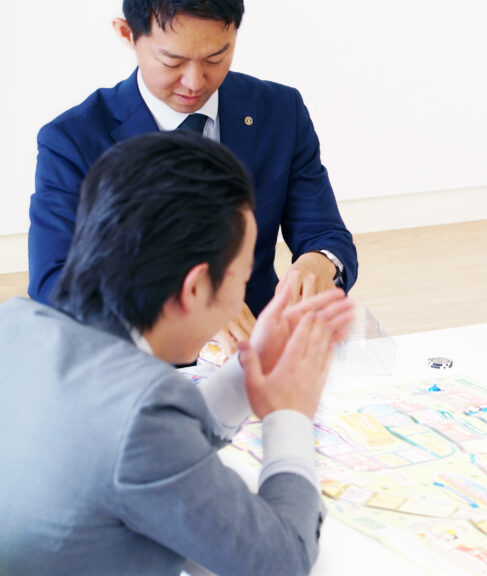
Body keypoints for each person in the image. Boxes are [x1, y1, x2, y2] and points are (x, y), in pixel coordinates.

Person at [0, 132, 358, 574]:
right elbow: (282, 562)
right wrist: (291, 415)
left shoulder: (14, 324)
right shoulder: (140, 418)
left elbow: (150, 455)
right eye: (241, 278)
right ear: (194, 288)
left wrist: (251, 367)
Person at [29, 0, 357, 353]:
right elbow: (53, 282)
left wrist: (320, 262)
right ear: (127, 34)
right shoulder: (73, 139)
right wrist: (183, 314)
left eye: (216, 58)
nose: (194, 82)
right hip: (138, 361)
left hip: (258, 352)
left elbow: (325, 233)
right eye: (172, 61)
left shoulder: (279, 111)